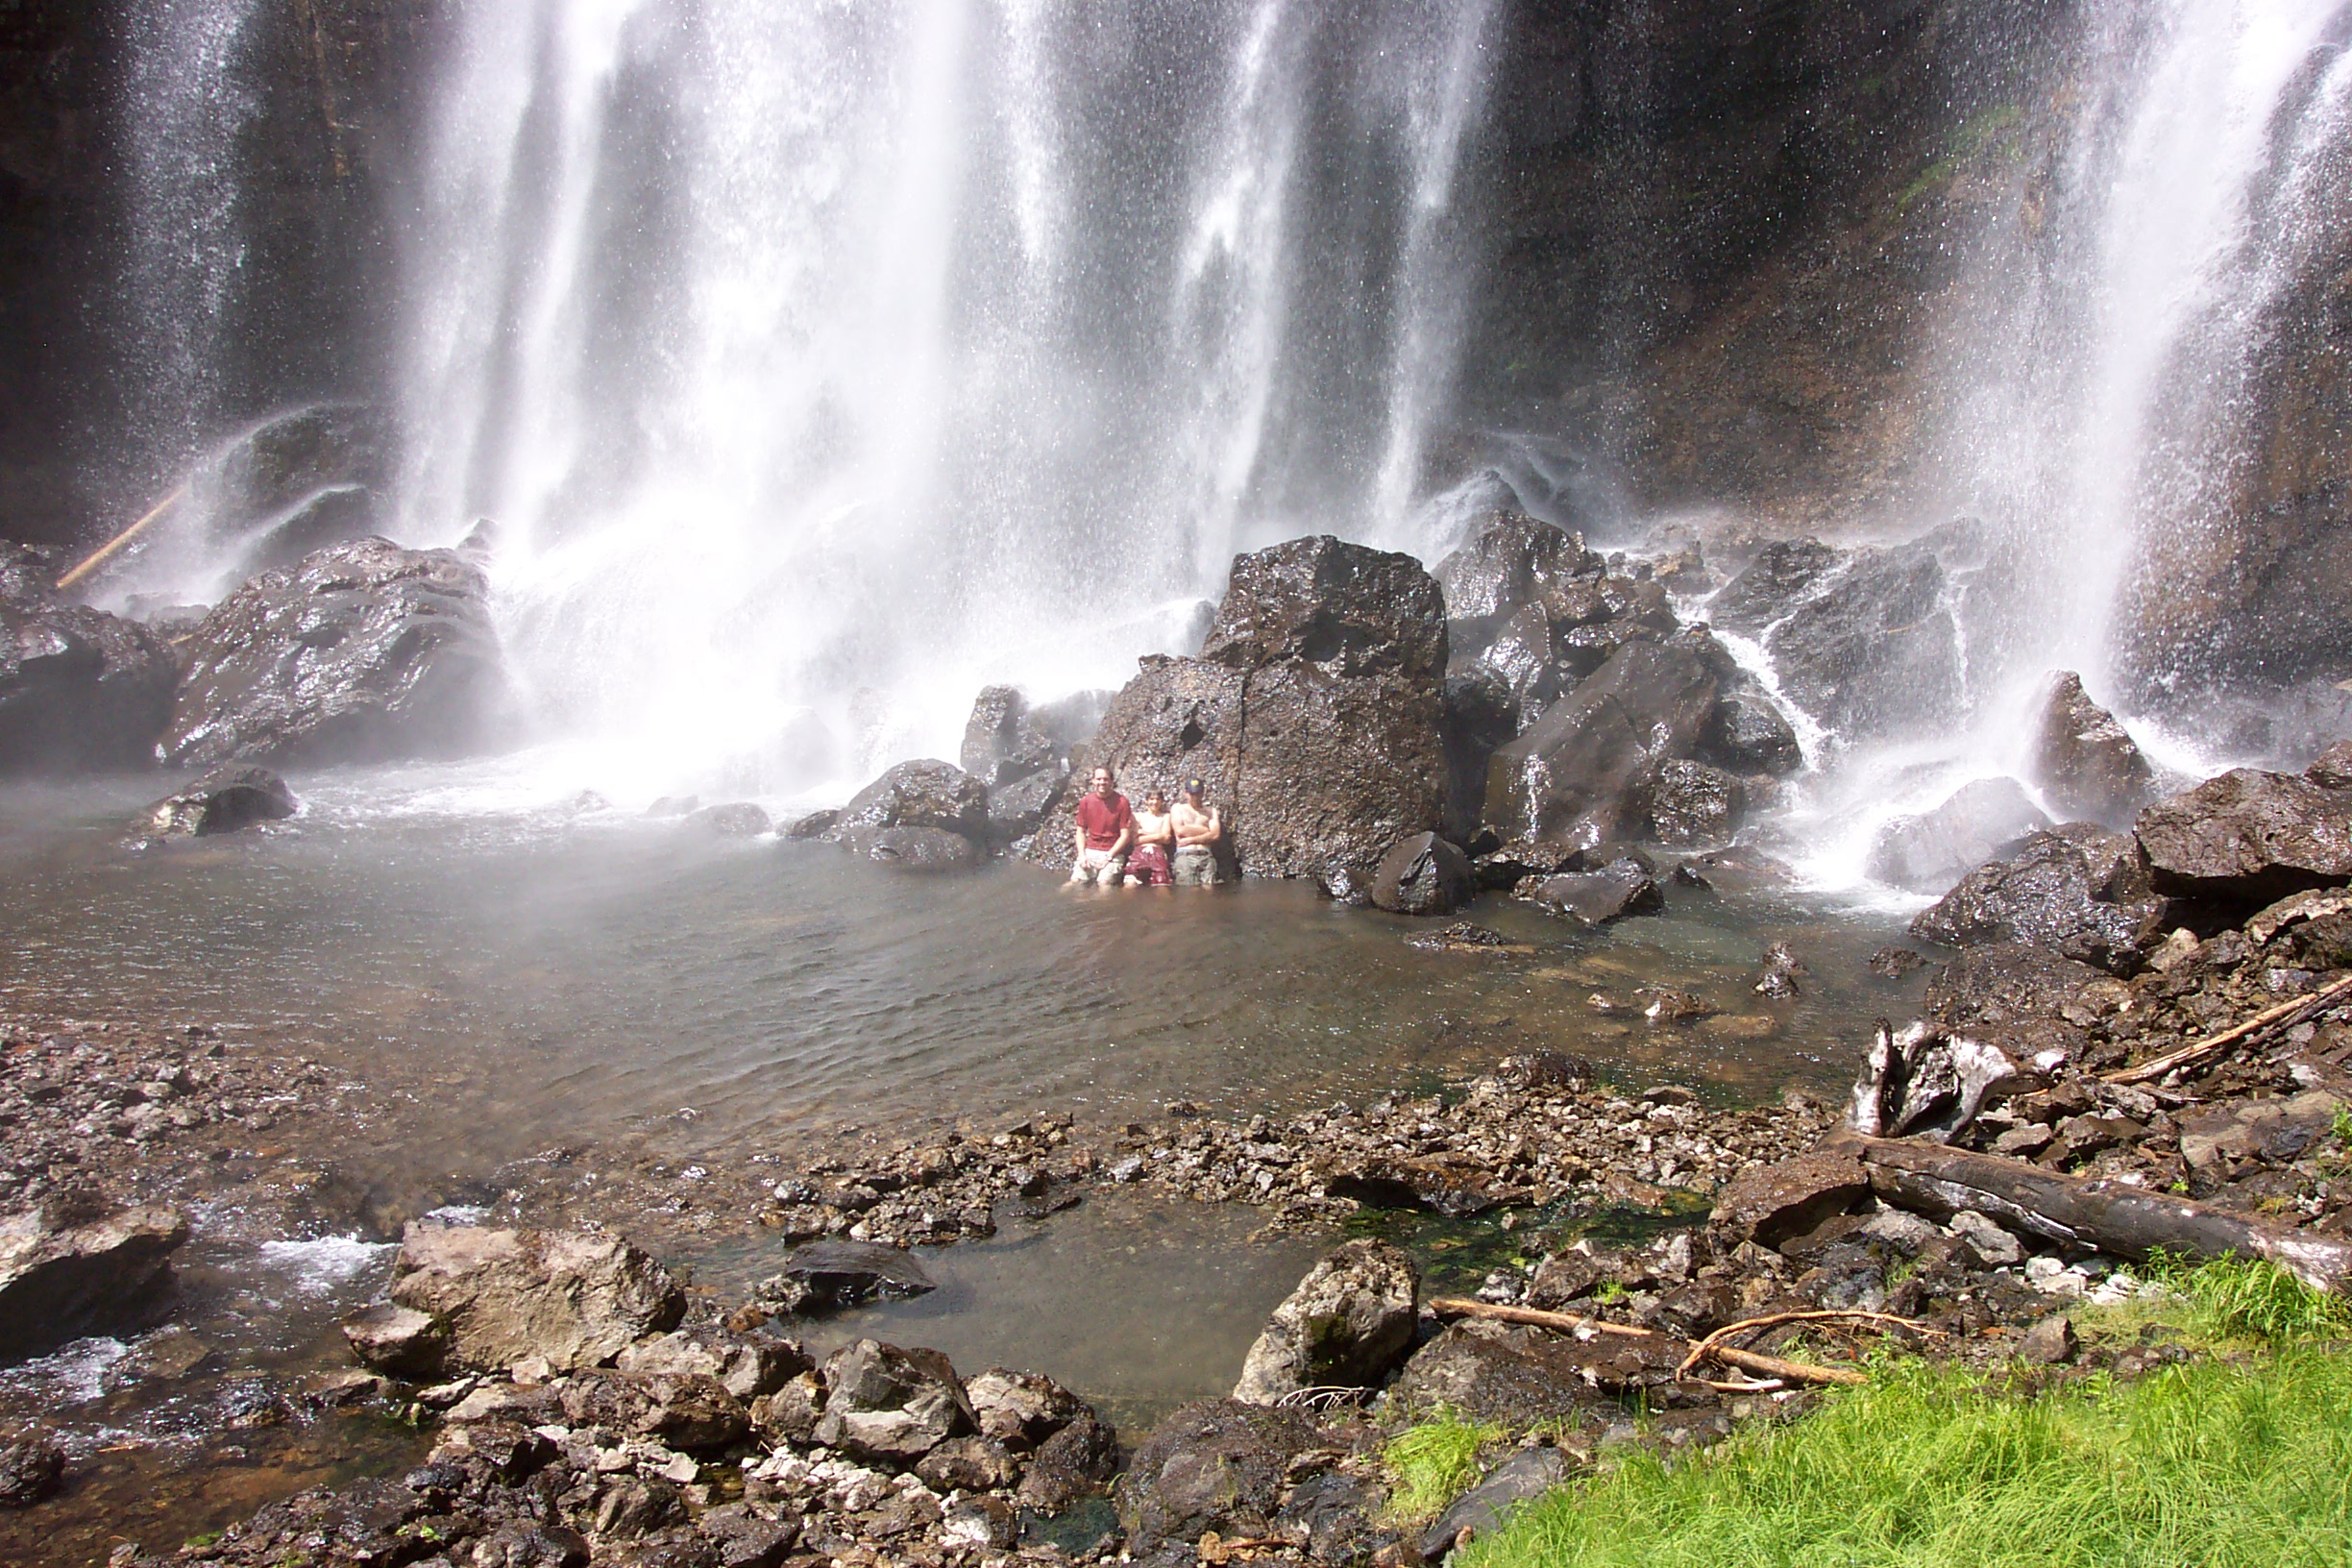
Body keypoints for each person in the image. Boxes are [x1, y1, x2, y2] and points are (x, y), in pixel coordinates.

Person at [1068, 766, 1135, 886]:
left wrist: (1108, 857)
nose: (1102, 782)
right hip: (1090, 851)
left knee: (1103, 883)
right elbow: (1080, 831)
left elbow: (1125, 836)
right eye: (1098, 779)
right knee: (1075, 882)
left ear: (1111, 781)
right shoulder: (1086, 801)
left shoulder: (1122, 802)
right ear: (1093, 781)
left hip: (1112, 852)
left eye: (1105, 779)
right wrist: (1082, 855)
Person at [1170, 777, 1224, 886]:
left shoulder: (1211, 811)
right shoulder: (1178, 808)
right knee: (1189, 891)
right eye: (1192, 793)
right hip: (1185, 854)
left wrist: (1191, 839)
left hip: (1206, 855)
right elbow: (1180, 831)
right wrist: (1205, 830)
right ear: (1185, 793)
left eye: (1198, 793)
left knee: (1209, 889)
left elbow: (1216, 835)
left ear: (1203, 792)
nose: (1195, 797)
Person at [1125, 789, 1176, 887]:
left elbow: (1166, 838)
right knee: (1130, 881)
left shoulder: (1165, 816)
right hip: (1140, 851)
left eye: (1158, 799)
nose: (1155, 802)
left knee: (1162, 882)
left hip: (1158, 851)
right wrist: (1158, 835)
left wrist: (1144, 833)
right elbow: (1135, 841)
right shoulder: (1138, 817)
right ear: (1146, 801)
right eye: (1152, 799)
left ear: (1162, 801)